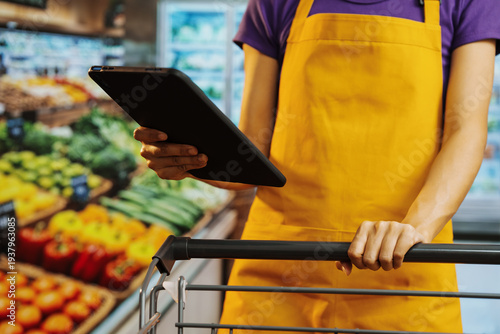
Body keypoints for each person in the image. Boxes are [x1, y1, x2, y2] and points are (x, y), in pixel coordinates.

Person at [134, 0, 500, 331]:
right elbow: (254, 147)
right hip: (279, 272)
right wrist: (191, 160)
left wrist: (416, 229)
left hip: (404, 266)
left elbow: (465, 129)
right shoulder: (274, 4)